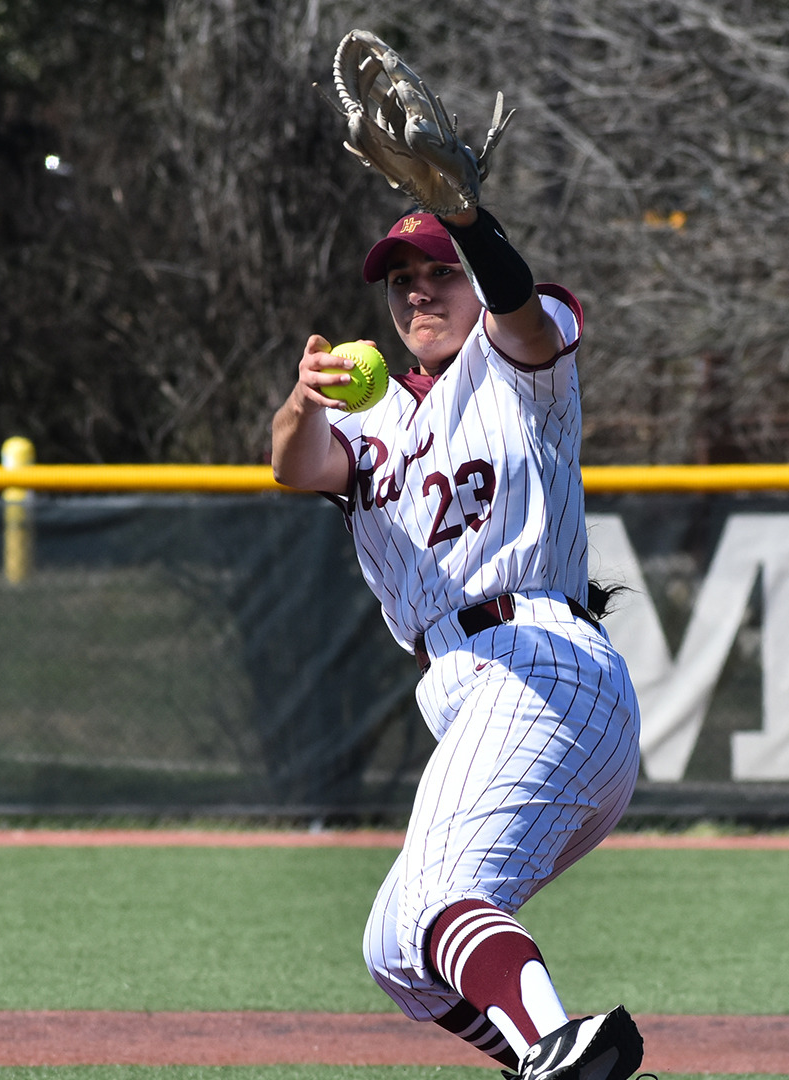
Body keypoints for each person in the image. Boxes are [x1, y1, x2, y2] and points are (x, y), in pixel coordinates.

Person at [270, 204, 647, 1080]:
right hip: (478, 690)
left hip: (538, 663)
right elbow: (293, 465)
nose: (418, 294)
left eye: (440, 274)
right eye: (403, 282)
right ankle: (547, 1062)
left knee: (444, 895)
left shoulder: (516, 361)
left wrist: (473, 224)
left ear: (474, 280)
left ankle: (559, 1050)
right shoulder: (368, 425)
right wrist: (302, 398)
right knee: (396, 948)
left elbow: (516, 306)